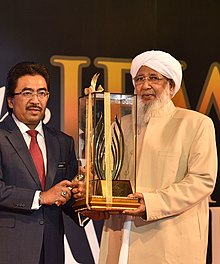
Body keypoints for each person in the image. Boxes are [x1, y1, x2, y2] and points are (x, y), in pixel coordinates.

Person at [87, 50, 218, 264]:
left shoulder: (196, 124)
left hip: (168, 240)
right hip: (120, 238)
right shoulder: (122, 125)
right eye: (139, 79)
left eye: (154, 78)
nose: (145, 85)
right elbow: (110, 177)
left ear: (171, 86)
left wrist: (150, 203)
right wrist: (93, 187)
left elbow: (201, 181)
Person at [0, 62, 86, 264]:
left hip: (52, 250)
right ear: (11, 100)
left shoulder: (63, 141)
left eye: (42, 93)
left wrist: (87, 203)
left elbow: (68, 194)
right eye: (27, 93)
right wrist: (41, 197)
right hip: (8, 250)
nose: (35, 100)